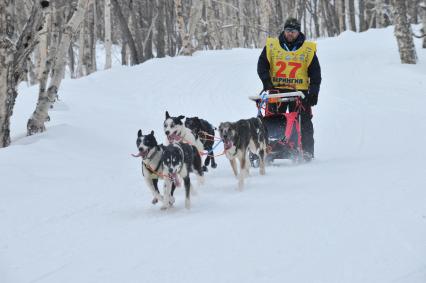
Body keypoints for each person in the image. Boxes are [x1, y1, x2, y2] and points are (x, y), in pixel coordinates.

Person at [257, 17, 322, 161]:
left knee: (303, 121)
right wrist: (267, 82)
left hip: (300, 92)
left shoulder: (308, 50)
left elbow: (315, 74)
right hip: (276, 91)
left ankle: (306, 152)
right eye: (287, 31)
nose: (290, 34)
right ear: (284, 31)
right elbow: (262, 66)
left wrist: (314, 93)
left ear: (298, 32)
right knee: (272, 121)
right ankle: (270, 150)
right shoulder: (272, 46)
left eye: (293, 31)